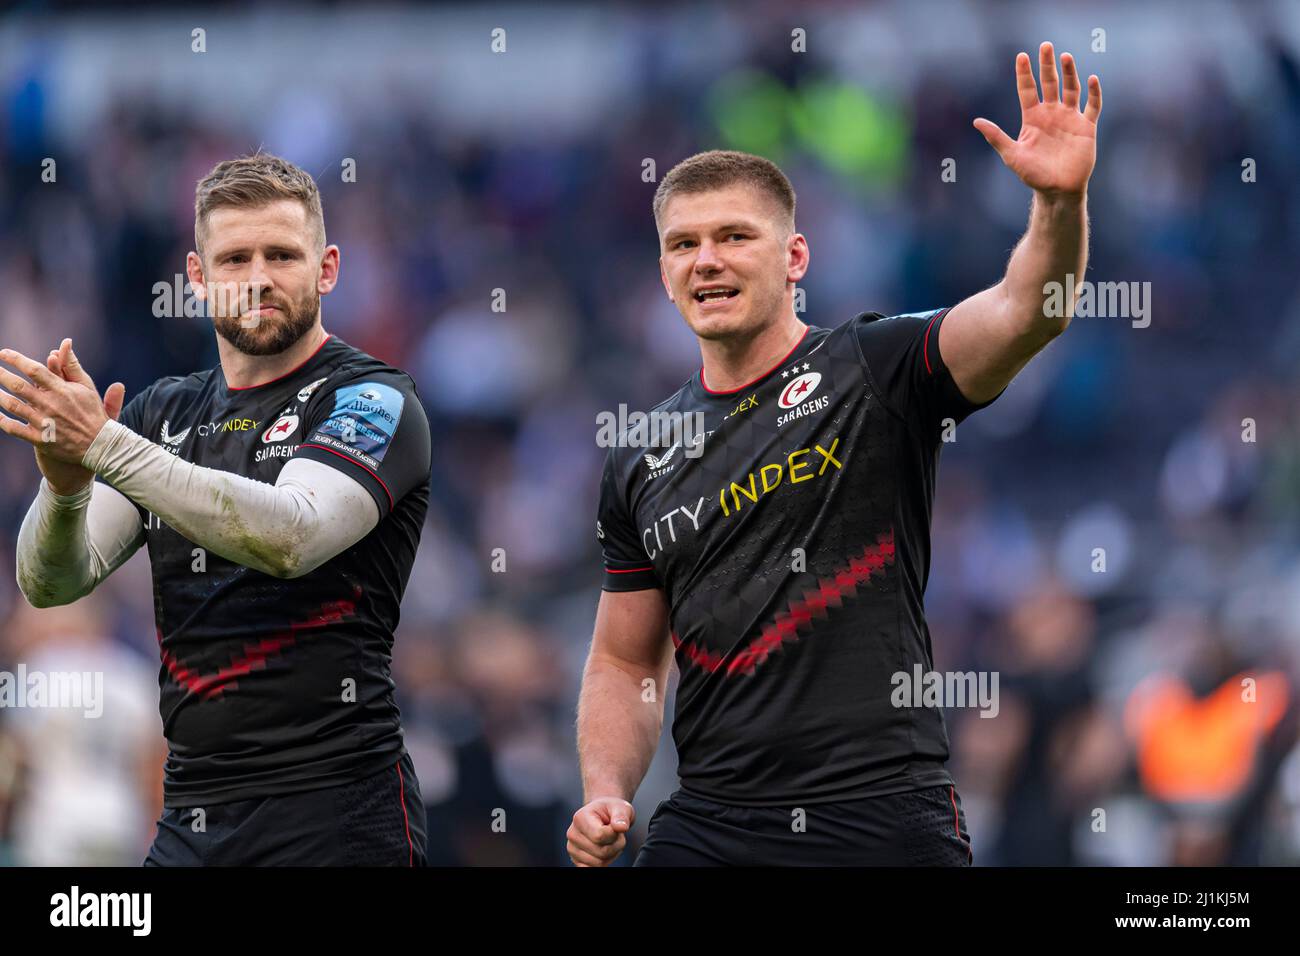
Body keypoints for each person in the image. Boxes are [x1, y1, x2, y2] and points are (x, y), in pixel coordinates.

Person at [569, 43, 1102, 866]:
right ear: (666, 274)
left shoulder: (875, 365)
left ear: (795, 258)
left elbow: (1030, 312)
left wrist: (1058, 204)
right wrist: (607, 787)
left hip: (881, 816)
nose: (706, 259)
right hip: (710, 826)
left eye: (734, 236)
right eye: (683, 244)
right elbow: (623, 658)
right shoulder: (641, 454)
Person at [3, 151, 432, 866]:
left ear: (326, 269)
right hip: (192, 817)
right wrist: (67, 486)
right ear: (198, 278)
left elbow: (291, 535)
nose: (258, 278)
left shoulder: (374, 399)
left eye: (281, 256)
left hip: (339, 810)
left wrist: (104, 444)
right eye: (234, 259)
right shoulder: (160, 413)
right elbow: (50, 583)